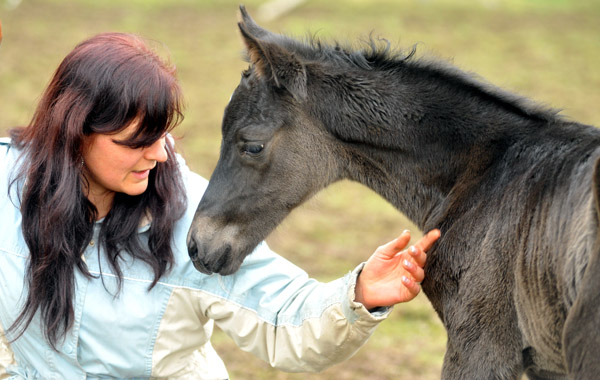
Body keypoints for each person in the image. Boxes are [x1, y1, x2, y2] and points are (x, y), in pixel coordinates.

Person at [0, 32, 440, 379]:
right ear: (75, 130)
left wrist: (358, 294)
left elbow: (284, 316)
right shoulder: (7, 182)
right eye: (134, 142)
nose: (158, 154)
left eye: (162, 134)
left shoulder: (192, 220)